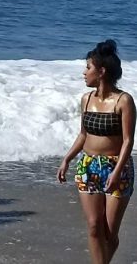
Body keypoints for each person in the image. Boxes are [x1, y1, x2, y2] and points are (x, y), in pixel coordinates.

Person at [57, 40, 135, 264]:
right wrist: (67, 159)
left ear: (101, 72)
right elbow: (83, 135)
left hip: (117, 168)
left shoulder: (124, 101)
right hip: (88, 165)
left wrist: (117, 171)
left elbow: (128, 141)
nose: (84, 73)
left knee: (110, 233)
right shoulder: (86, 99)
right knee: (93, 227)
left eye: (88, 68)